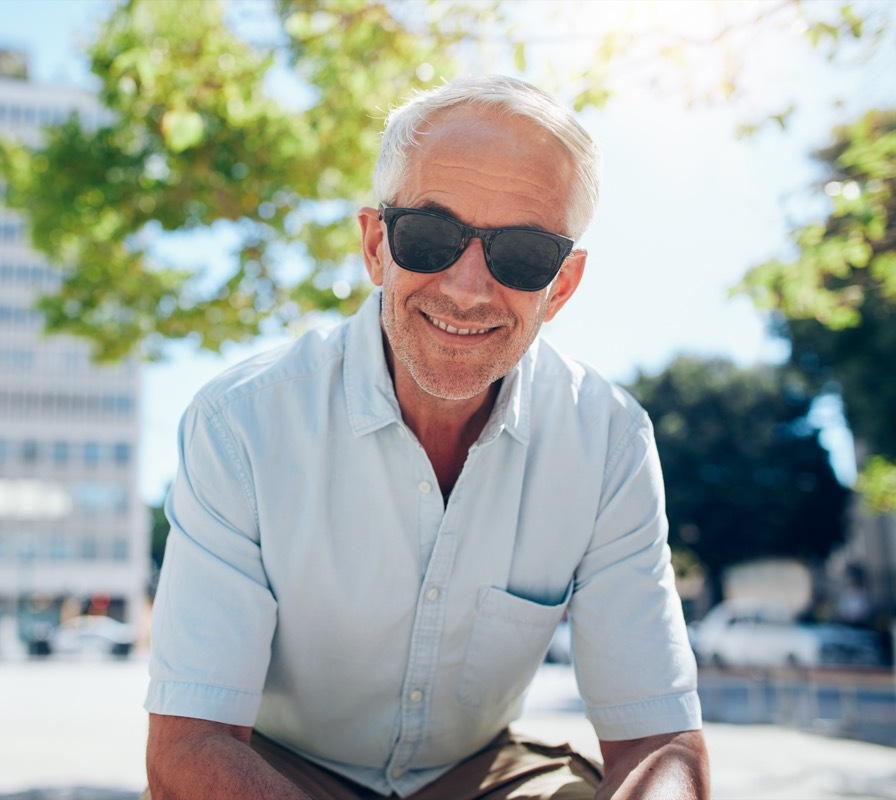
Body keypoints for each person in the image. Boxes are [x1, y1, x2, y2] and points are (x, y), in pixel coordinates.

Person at [145, 74, 708, 800]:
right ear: (377, 245)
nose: (468, 289)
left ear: (561, 287)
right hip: (274, 769)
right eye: (431, 235)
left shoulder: (610, 442)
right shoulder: (240, 424)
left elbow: (659, 738)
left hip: (485, 773)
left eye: (524, 253)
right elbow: (190, 744)